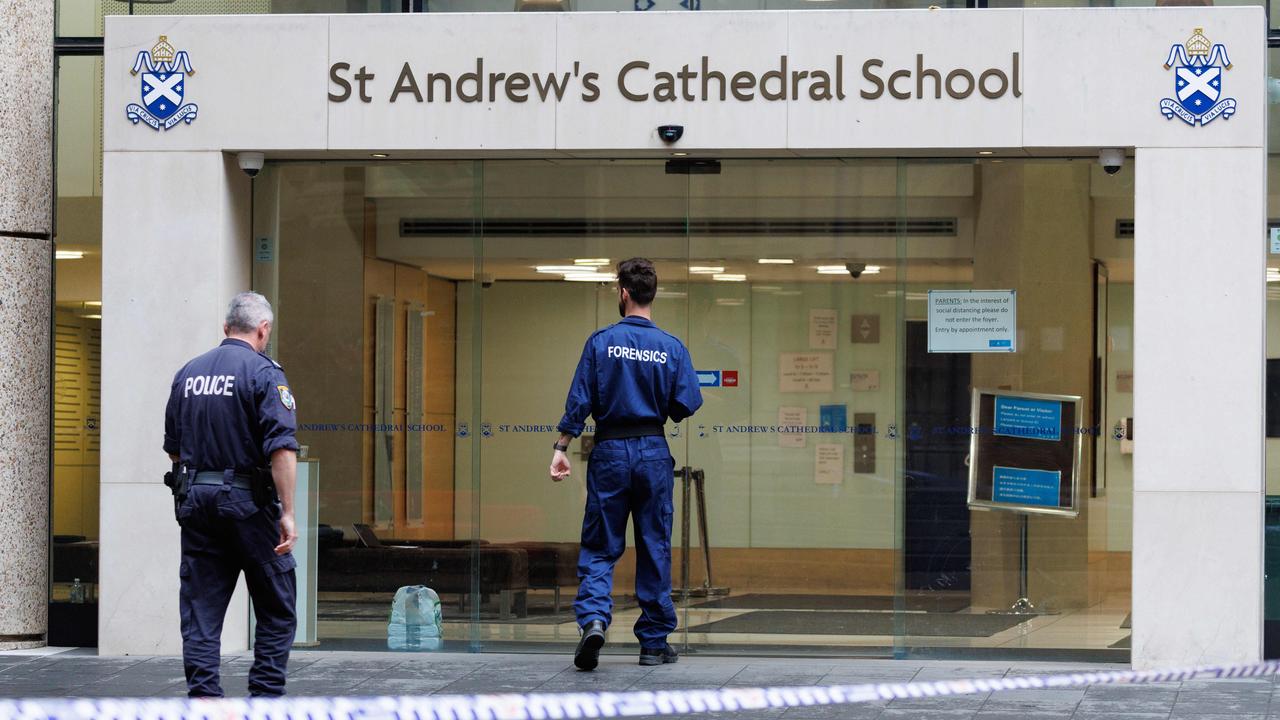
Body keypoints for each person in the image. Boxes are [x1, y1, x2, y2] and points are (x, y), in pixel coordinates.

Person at [549, 258, 703, 671]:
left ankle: (595, 619)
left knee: (600, 545)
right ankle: (653, 643)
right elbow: (686, 404)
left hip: (610, 451)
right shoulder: (672, 347)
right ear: (652, 293)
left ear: (623, 293)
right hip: (653, 451)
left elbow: (579, 400)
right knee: (654, 544)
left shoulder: (600, 342)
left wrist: (562, 445)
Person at [163, 292, 299, 698]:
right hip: (249, 506)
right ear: (264, 329)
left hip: (197, 504)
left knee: (201, 613)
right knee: (277, 606)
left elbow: (174, 447)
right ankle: (265, 699)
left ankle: (204, 702)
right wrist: (288, 511)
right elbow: (282, 448)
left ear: (225, 328)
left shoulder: (188, 373)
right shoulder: (264, 373)